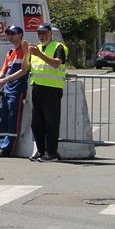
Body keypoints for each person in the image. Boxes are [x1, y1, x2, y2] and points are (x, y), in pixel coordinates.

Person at [28, 22, 68, 162]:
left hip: (52, 89)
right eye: (39, 33)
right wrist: (24, 51)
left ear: (51, 34)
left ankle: (51, 153)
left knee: (51, 122)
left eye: (44, 33)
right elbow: (26, 67)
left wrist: (39, 54)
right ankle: (41, 151)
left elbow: (57, 63)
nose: (42, 36)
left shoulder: (58, 47)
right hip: (37, 88)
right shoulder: (36, 49)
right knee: (36, 123)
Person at [0, 25, 30, 158]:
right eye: (8, 34)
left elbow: (23, 71)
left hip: (17, 90)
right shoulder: (10, 52)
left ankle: (8, 148)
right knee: (4, 119)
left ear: (20, 34)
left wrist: (5, 80)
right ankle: (0, 145)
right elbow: (4, 68)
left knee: (13, 118)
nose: (10, 36)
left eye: (12, 33)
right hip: (8, 90)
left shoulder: (24, 51)